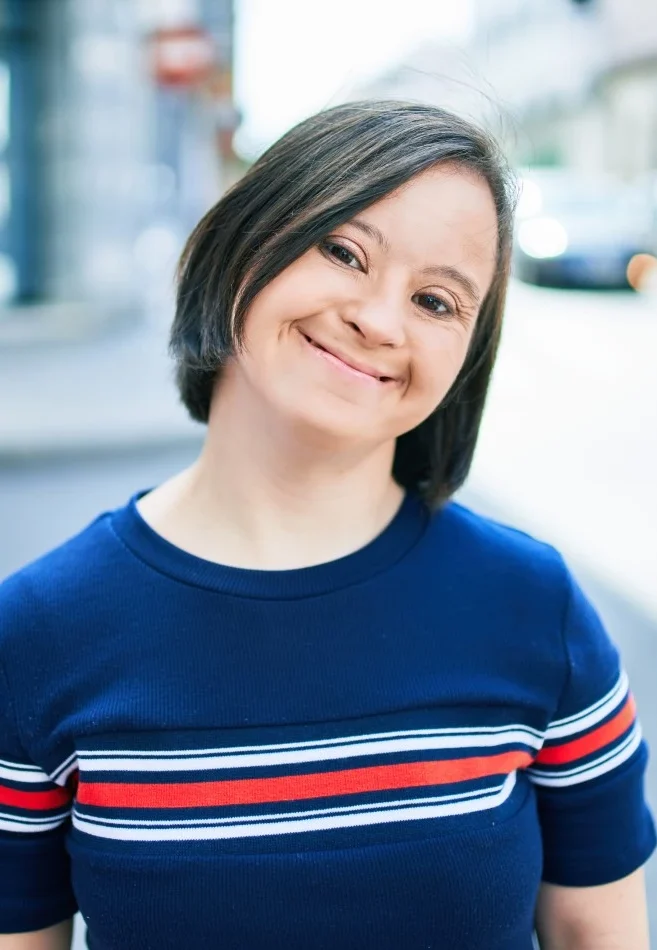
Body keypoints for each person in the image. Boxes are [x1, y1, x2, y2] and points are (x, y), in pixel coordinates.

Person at [0, 100, 654, 950]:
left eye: (435, 301)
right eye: (344, 252)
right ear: (243, 244)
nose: (378, 321)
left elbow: (600, 932)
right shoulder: (38, 633)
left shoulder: (536, 610)